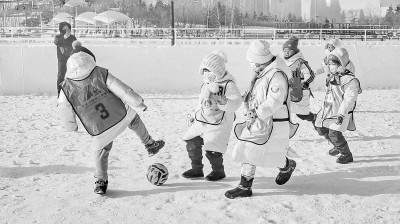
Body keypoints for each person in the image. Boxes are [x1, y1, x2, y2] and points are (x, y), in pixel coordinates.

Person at [58, 45, 165, 194]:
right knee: (134, 119)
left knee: (101, 150)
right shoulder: (100, 72)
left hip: (98, 126)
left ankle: (100, 181)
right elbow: (121, 88)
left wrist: (71, 127)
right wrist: (137, 102)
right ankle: (149, 144)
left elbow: (64, 108)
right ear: (90, 59)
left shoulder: (66, 87)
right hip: (119, 115)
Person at [225, 40, 298, 199]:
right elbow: (259, 93)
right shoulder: (262, 73)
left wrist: (257, 111)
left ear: (262, 60)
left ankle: (245, 186)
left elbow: (275, 101)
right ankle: (286, 166)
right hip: (258, 121)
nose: (252, 66)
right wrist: (248, 97)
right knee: (253, 149)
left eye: (254, 63)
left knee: (259, 150)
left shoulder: (277, 75)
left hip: (271, 122)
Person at [182, 51, 242, 181]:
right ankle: (196, 168)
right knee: (192, 140)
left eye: (209, 71)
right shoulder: (205, 85)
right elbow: (201, 103)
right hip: (203, 119)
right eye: (204, 71)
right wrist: (193, 114)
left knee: (213, 148)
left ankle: (218, 171)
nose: (206, 74)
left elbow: (237, 102)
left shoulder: (228, 84)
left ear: (218, 71)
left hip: (220, 122)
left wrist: (225, 102)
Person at [313, 48, 362, 164]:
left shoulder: (349, 79)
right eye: (329, 64)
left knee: (334, 133)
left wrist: (342, 113)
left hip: (340, 111)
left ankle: (346, 154)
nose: (330, 66)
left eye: (333, 64)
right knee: (320, 128)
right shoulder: (332, 76)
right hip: (328, 109)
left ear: (341, 64)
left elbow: (349, 99)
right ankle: (337, 145)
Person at [282, 36, 315, 122]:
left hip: (300, 92)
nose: (285, 53)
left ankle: (316, 120)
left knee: (302, 115)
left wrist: (305, 84)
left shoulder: (300, 62)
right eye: (284, 50)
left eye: (288, 51)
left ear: (293, 51)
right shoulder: (283, 62)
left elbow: (311, 74)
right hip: (288, 92)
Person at [54, 22, 77, 96]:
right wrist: (64, 38)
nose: (66, 31)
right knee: (61, 76)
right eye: (64, 29)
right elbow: (56, 42)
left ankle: (72, 94)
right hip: (62, 60)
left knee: (73, 76)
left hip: (71, 59)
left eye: (68, 29)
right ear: (61, 29)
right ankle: (59, 94)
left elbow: (76, 47)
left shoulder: (73, 37)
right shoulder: (58, 37)